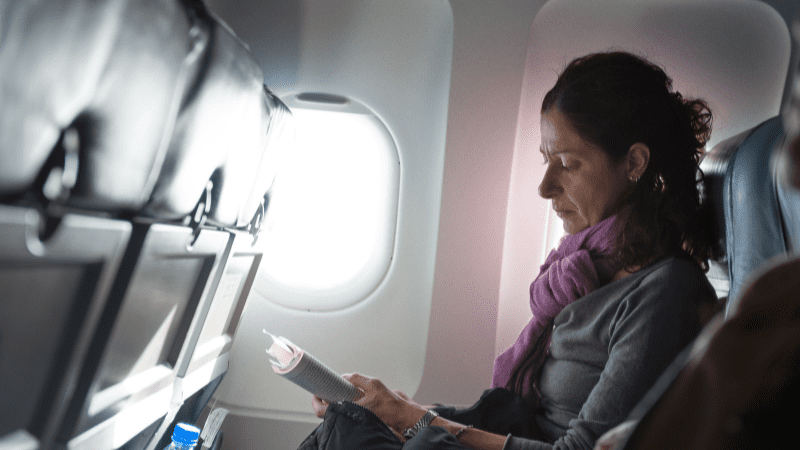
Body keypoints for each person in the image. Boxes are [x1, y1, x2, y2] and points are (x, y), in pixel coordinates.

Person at [299, 51, 718, 450]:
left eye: (568, 164)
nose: (545, 187)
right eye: (546, 161)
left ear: (634, 163)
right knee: (350, 421)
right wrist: (390, 408)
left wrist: (411, 418)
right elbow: (527, 420)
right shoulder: (583, 272)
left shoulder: (665, 293)